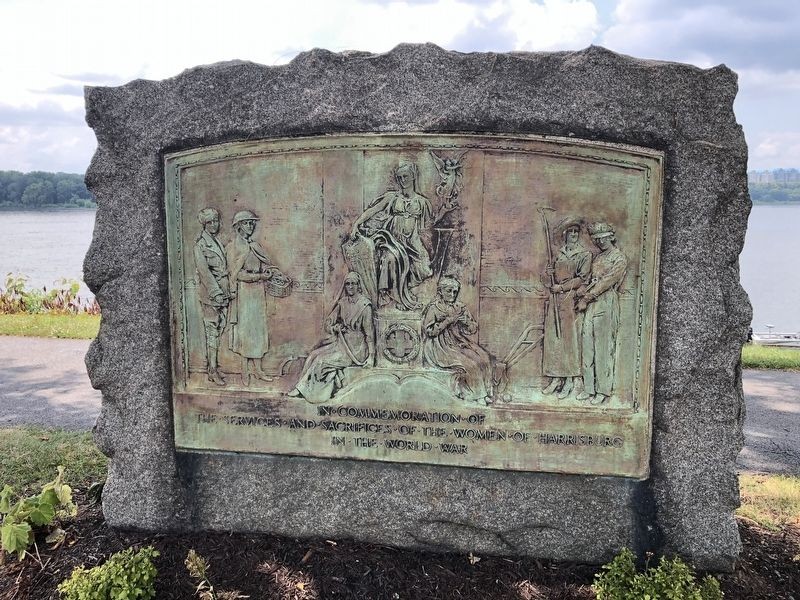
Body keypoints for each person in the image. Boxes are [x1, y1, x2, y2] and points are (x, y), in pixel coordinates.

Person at [349, 163, 452, 311]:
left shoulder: (422, 202)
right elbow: (373, 210)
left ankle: (404, 292)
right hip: (392, 241)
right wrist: (356, 224)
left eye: (405, 176)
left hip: (413, 241)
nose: (402, 180)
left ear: (413, 177)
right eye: (399, 177)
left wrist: (444, 210)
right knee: (390, 259)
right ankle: (390, 297)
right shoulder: (392, 197)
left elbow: (431, 221)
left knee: (424, 268)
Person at [288, 272, 375, 403]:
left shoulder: (365, 306)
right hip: (341, 343)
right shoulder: (343, 302)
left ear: (358, 285)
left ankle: (308, 392)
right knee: (313, 355)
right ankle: (301, 387)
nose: (350, 287)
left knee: (321, 360)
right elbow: (328, 323)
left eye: (353, 284)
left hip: (356, 349)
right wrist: (334, 328)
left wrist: (371, 357)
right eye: (347, 284)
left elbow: (369, 334)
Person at [575, 222, 627, 405]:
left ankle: (603, 391)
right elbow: (590, 279)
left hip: (606, 303)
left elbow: (607, 282)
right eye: (596, 239)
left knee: (603, 349)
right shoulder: (598, 258)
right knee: (588, 347)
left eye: (602, 237)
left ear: (611, 236)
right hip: (591, 305)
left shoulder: (618, 258)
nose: (599, 241)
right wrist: (581, 290)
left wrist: (587, 296)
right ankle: (589, 388)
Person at [422, 277, 494, 405]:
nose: (452, 295)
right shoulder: (434, 308)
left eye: (455, 292)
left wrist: (467, 323)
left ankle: (486, 393)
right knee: (470, 365)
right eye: (449, 291)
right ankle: (476, 396)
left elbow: (472, 328)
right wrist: (448, 320)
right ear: (440, 292)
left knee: (484, 358)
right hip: (439, 346)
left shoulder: (459, 307)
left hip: (457, 341)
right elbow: (429, 332)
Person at [541, 218, 592, 399]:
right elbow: (547, 281)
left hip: (570, 300)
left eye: (576, 232)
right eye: (570, 232)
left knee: (569, 341)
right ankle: (556, 378)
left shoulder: (584, 254)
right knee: (554, 339)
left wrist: (561, 288)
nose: (573, 235)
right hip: (555, 301)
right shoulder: (558, 254)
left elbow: (582, 279)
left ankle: (571, 380)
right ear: (564, 235)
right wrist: (547, 275)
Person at [226, 209, 276, 385]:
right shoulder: (233, 248)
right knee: (245, 331)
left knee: (258, 330)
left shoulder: (255, 246)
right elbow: (235, 274)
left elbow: (264, 264)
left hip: (257, 293)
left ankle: (258, 370)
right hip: (244, 293)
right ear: (238, 226)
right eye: (247, 223)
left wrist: (266, 273)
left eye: (252, 222)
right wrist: (259, 277)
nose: (251, 225)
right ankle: (245, 371)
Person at [193, 207, 230, 385]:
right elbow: (205, 273)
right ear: (204, 224)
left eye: (216, 221)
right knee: (212, 331)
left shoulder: (216, 242)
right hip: (211, 296)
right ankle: (212, 370)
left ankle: (213, 367)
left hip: (223, 294)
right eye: (210, 222)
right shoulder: (200, 245)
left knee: (220, 327)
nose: (215, 225)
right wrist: (216, 294)